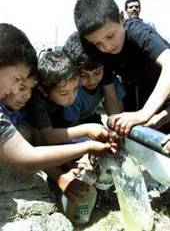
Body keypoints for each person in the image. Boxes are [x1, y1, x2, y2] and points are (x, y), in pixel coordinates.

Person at [0, 23, 111, 174]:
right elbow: (27, 155)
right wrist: (87, 147)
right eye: (17, 80)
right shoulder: (35, 104)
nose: (14, 91)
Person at [26, 49, 118, 202]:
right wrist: (87, 129)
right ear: (44, 90)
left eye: (75, 89)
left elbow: (68, 131)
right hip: (39, 143)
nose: (72, 97)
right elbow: (46, 138)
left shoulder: (63, 95)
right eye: (64, 93)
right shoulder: (37, 102)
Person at [74, 0, 170, 136]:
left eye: (110, 36)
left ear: (121, 17)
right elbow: (110, 95)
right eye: (97, 43)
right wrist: (116, 133)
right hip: (149, 102)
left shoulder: (136, 30)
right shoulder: (99, 52)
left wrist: (144, 113)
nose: (106, 47)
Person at [62, 32, 124, 126]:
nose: (92, 81)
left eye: (98, 72)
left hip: (91, 118)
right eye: (83, 75)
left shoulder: (108, 79)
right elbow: (72, 128)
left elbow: (116, 112)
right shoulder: (70, 91)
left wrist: (117, 132)